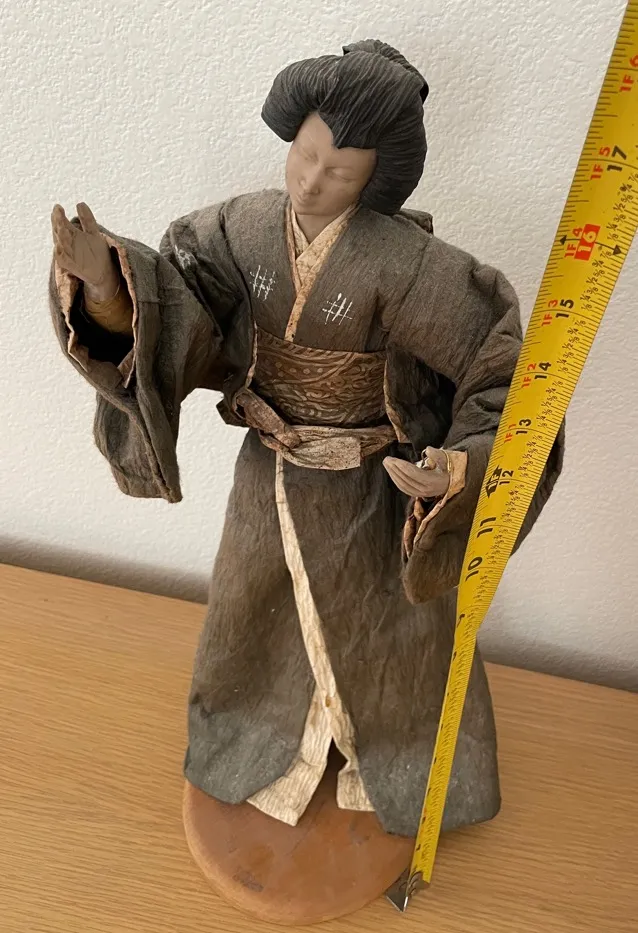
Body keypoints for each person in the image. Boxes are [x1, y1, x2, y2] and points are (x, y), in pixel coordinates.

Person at [49, 39, 564, 837]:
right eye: (306, 152)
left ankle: (384, 767)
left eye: (340, 171)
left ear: (376, 181)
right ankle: (263, 753)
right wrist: (111, 292)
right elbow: (178, 309)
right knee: (251, 612)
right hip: (270, 470)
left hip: (370, 483)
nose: (312, 179)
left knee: (387, 634)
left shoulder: (406, 264)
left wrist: (460, 467)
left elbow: (501, 368)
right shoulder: (238, 231)